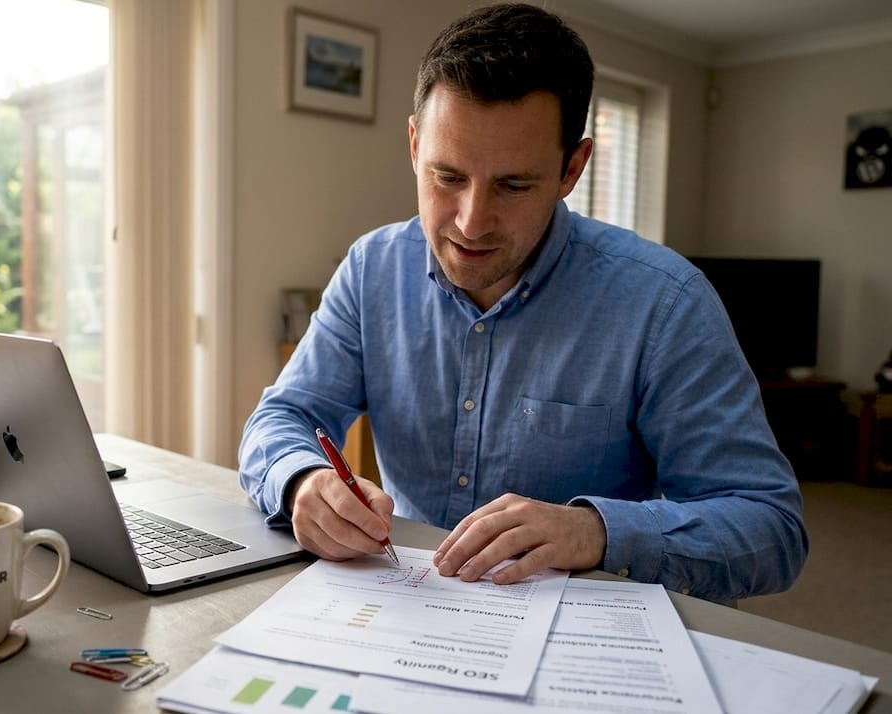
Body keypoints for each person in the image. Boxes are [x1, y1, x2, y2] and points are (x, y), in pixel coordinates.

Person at [238, 3, 806, 604]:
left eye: (513, 185)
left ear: (572, 168)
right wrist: (301, 480)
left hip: (582, 641)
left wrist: (596, 532)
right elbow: (280, 419)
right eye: (447, 176)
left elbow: (770, 529)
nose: (471, 222)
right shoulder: (371, 269)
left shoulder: (666, 303)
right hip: (406, 614)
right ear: (413, 144)